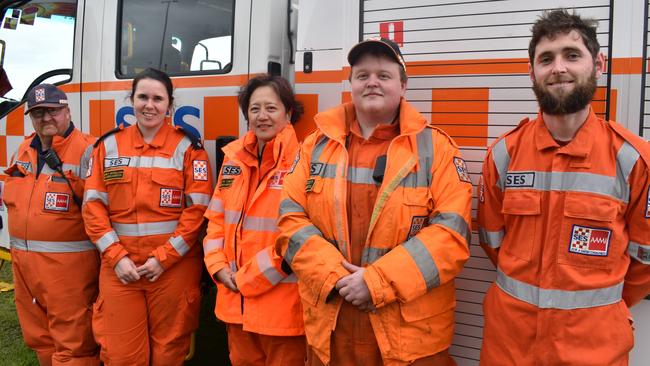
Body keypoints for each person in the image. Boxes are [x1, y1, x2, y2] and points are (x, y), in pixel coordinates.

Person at [276, 38, 472, 366]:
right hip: (332, 330)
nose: (372, 82)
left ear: (403, 86)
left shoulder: (437, 149)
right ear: (351, 84)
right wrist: (335, 276)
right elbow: (289, 220)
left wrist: (377, 282)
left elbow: (451, 236)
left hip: (409, 342)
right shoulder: (315, 145)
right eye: (362, 75)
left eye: (384, 75)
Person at [478, 9, 650, 365]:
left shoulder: (635, 160)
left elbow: (645, 260)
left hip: (594, 349)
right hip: (509, 347)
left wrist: (598, 307)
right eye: (546, 59)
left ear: (598, 64)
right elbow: (492, 241)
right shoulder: (502, 155)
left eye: (572, 55)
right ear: (532, 73)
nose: (558, 68)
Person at [82, 68, 213, 365]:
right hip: (120, 268)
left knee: (169, 352)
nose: (149, 105)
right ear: (131, 100)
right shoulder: (107, 146)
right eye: (142, 97)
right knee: (121, 354)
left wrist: (163, 258)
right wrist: (117, 257)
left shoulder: (189, 148)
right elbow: (92, 207)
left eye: (158, 98)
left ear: (170, 104)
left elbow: (198, 211)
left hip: (172, 268)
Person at [203, 74, 306, 365]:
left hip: (283, 315)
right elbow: (216, 221)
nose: (262, 116)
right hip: (235, 307)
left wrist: (246, 279)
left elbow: (299, 240)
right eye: (254, 108)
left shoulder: (303, 164)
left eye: (271, 108)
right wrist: (218, 269)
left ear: (288, 113)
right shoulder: (233, 160)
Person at [4, 83, 99, 365]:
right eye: (38, 113)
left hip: (68, 271)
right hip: (24, 266)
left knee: (74, 343)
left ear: (68, 111)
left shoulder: (89, 150)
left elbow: (101, 213)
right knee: (39, 338)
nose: (46, 118)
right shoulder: (24, 148)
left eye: (53, 111)